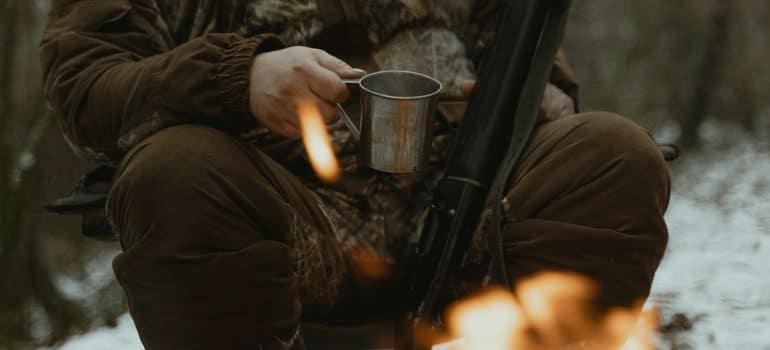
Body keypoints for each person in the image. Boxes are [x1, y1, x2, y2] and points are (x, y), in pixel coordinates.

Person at [40, 1, 670, 349]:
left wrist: (547, 90)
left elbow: (514, 29)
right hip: (290, 219)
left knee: (613, 155)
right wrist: (238, 79)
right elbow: (85, 86)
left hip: (470, 203)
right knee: (173, 175)